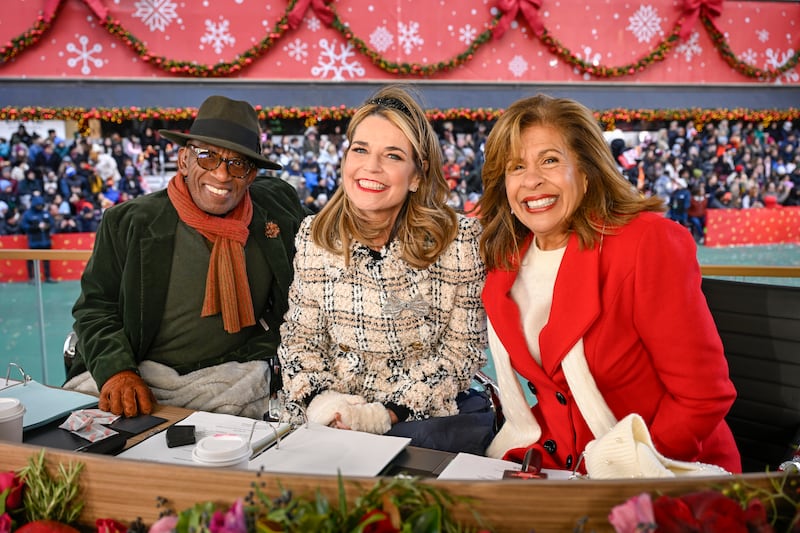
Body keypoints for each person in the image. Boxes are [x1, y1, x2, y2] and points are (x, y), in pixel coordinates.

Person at [476, 94, 741, 474]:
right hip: (557, 468)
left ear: (586, 172)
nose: (531, 180)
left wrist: (623, 471)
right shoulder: (504, 261)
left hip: (660, 467)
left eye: (549, 160)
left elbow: (702, 396)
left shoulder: (646, 243)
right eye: (516, 167)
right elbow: (557, 399)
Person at [278, 85, 494, 455]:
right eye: (360, 150)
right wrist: (325, 404)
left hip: (418, 421)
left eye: (392, 155)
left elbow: (461, 353)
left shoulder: (459, 242)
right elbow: (301, 339)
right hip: (328, 416)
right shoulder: (315, 236)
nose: (371, 167)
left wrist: (383, 415)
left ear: (417, 175)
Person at [63, 95, 307, 419]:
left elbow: (335, 229)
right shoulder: (128, 222)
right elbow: (96, 308)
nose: (222, 175)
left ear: (251, 176)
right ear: (183, 161)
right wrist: (117, 371)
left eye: (238, 164)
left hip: (232, 376)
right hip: (144, 370)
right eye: (207, 157)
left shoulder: (276, 208)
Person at [20, 195, 56, 283]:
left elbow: (52, 223)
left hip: (45, 241)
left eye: (41, 205)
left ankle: (48, 276)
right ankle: (31, 277)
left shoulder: (46, 213)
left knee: (46, 260)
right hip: (34, 241)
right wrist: (36, 227)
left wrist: (47, 226)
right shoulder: (28, 214)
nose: (40, 207)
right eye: (38, 205)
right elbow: (24, 226)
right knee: (32, 260)